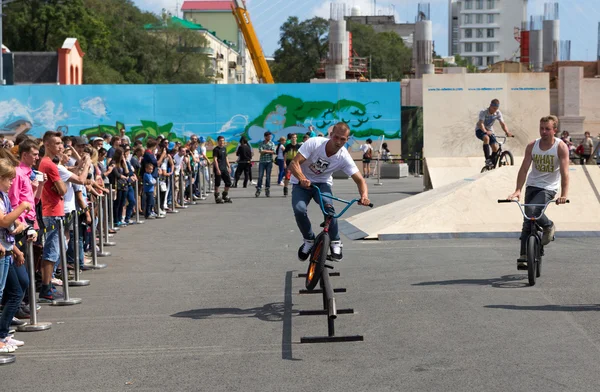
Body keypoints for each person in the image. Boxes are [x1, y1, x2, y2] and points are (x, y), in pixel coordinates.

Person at [288, 123, 370, 261]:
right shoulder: (314, 143)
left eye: (343, 139)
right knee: (299, 210)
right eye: (336, 137)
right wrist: (302, 178)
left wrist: (364, 196)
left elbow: (360, 180)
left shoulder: (343, 156)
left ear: (347, 139)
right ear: (331, 135)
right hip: (301, 183)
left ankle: (336, 241)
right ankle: (309, 240)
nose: (339, 142)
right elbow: (293, 164)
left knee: (329, 210)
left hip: (322, 184)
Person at [506, 115, 569, 269]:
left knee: (532, 210)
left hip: (548, 188)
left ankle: (548, 226)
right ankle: (524, 255)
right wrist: (518, 190)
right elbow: (524, 169)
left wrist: (564, 195)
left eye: (547, 129)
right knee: (528, 219)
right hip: (532, 185)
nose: (543, 132)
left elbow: (565, 172)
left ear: (555, 130)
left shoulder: (560, 147)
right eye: (541, 128)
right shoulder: (532, 146)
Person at [0, 158, 31, 351]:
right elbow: (4, 222)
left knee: (15, 291)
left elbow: (10, 225)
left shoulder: (3, 197)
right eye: (9, 179)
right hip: (3, 251)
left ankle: (3, 333)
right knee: (6, 293)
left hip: (8, 249)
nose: (12, 182)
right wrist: (23, 207)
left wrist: (17, 249)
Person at [38, 131, 67, 302]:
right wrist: (60, 187)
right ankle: (46, 288)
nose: (60, 146)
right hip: (52, 211)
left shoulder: (49, 163)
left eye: (60, 143)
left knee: (55, 249)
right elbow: (62, 189)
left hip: (53, 210)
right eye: (56, 143)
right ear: (47, 145)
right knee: (51, 251)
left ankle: (48, 285)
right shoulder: (49, 164)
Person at [476, 99, 513, 166]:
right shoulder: (483, 112)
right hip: (480, 130)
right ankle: (487, 160)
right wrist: (485, 131)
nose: (495, 110)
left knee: (495, 148)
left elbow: (502, 124)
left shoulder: (498, 113)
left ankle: (491, 163)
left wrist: (507, 132)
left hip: (490, 131)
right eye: (493, 108)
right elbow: (480, 123)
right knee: (486, 138)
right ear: (490, 106)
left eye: (496, 108)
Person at [212, 136, 232, 204]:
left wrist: (229, 167)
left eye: (223, 141)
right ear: (218, 141)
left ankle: (225, 195)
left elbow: (226, 158)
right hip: (218, 168)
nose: (222, 142)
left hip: (224, 168)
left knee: (228, 182)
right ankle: (217, 197)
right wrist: (217, 169)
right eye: (220, 141)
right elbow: (215, 160)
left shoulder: (224, 148)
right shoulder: (216, 149)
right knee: (217, 183)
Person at [256, 131, 275, 198]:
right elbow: (261, 151)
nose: (269, 137)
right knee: (260, 176)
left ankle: (267, 189)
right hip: (262, 162)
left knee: (268, 176)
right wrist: (268, 151)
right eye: (268, 136)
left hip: (269, 162)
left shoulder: (272, 143)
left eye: (270, 136)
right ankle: (258, 189)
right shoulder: (261, 143)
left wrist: (265, 151)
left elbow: (273, 151)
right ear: (265, 137)